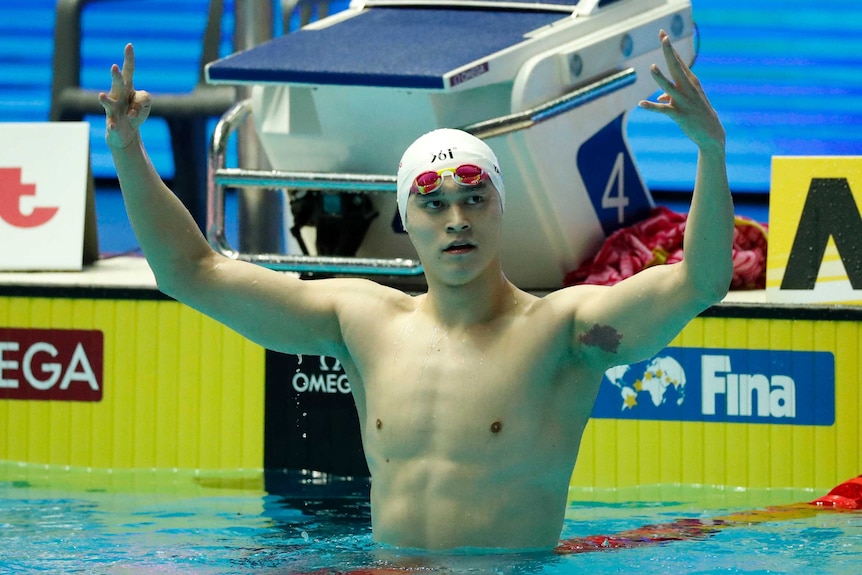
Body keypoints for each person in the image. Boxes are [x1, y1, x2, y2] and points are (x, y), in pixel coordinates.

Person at [100, 29, 733, 552]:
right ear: (406, 221)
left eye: (474, 198)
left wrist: (710, 152)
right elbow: (190, 272)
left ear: (500, 210)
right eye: (433, 204)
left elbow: (698, 282)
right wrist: (128, 151)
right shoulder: (362, 321)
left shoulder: (561, 333)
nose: (456, 218)